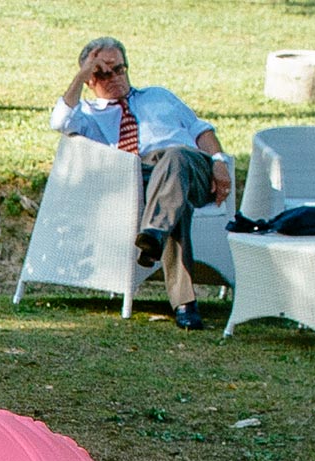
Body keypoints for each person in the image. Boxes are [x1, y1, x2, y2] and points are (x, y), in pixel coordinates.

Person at [52, 38, 232, 330]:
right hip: (139, 179)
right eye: (102, 73)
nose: (114, 78)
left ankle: (153, 234)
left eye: (119, 69)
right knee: (175, 199)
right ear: (90, 80)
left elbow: (201, 130)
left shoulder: (159, 96)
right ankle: (184, 303)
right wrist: (81, 74)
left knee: (174, 158)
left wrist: (219, 160)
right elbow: (59, 121)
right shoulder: (87, 114)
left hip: (191, 167)